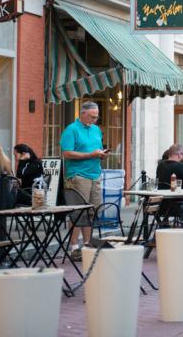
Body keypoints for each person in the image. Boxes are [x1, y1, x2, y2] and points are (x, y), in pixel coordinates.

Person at [61, 101, 108, 261]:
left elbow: (95, 150)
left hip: (95, 174)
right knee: (78, 212)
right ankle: (74, 247)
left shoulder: (96, 130)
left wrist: (101, 154)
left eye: (96, 117)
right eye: (92, 117)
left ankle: (88, 244)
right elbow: (66, 153)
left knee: (91, 212)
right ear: (83, 113)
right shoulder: (71, 130)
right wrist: (90, 155)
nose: (95, 120)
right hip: (78, 175)